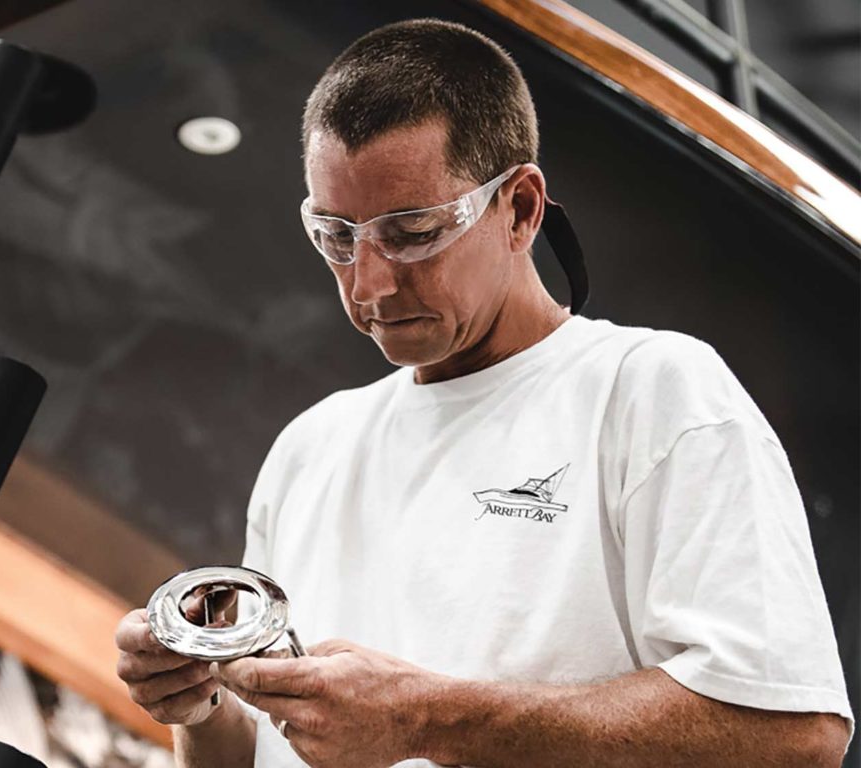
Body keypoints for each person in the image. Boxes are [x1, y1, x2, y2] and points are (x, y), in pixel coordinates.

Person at [114, 18, 853, 768]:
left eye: (411, 232)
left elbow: (792, 735)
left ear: (522, 209)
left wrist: (429, 719)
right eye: (337, 236)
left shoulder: (649, 391)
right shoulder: (310, 448)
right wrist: (199, 708)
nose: (368, 284)